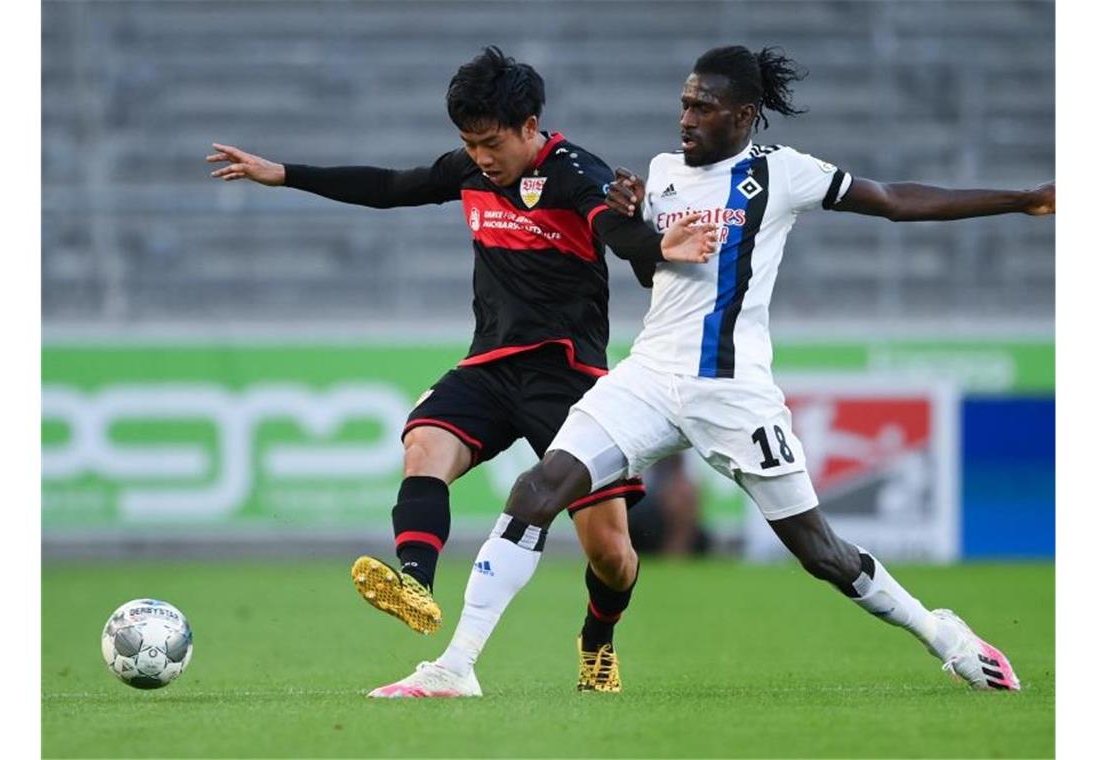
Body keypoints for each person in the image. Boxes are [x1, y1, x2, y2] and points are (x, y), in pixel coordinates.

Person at [369, 44, 1054, 697]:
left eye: (704, 107)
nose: (686, 117)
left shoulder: (783, 172)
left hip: (732, 393)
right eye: (685, 103)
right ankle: (455, 666)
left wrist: (1020, 198)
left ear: (745, 115)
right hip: (648, 379)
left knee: (821, 554)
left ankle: (943, 635)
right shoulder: (664, 169)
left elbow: (895, 200)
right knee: (536, 491)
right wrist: (628, 219)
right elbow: (646, 268)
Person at [206, 46, 718, 695]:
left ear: (531, 126)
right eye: (468, 142)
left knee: (612, 556)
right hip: (490, 366)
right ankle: (415, 585)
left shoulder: (571, 171)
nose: (479, 155)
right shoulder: (472, 172)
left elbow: (611, 230)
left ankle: (596, 642)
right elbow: (392, 187)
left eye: (490, 141)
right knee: (423, 442)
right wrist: (283, 173)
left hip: (568, 375)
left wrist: (656, 244)